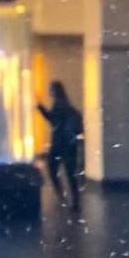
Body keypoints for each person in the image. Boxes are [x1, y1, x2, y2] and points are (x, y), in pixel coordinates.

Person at [37, 80, 83, 211]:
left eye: (50, 90)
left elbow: (53, 119)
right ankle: (75, 202)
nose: (49, 92)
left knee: (52, 169)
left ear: (54, 91)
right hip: (69, 144)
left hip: (59, 144)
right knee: (71, 174)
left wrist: (40, 107)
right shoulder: (68, 105)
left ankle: (62, 197)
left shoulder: (59, 104)